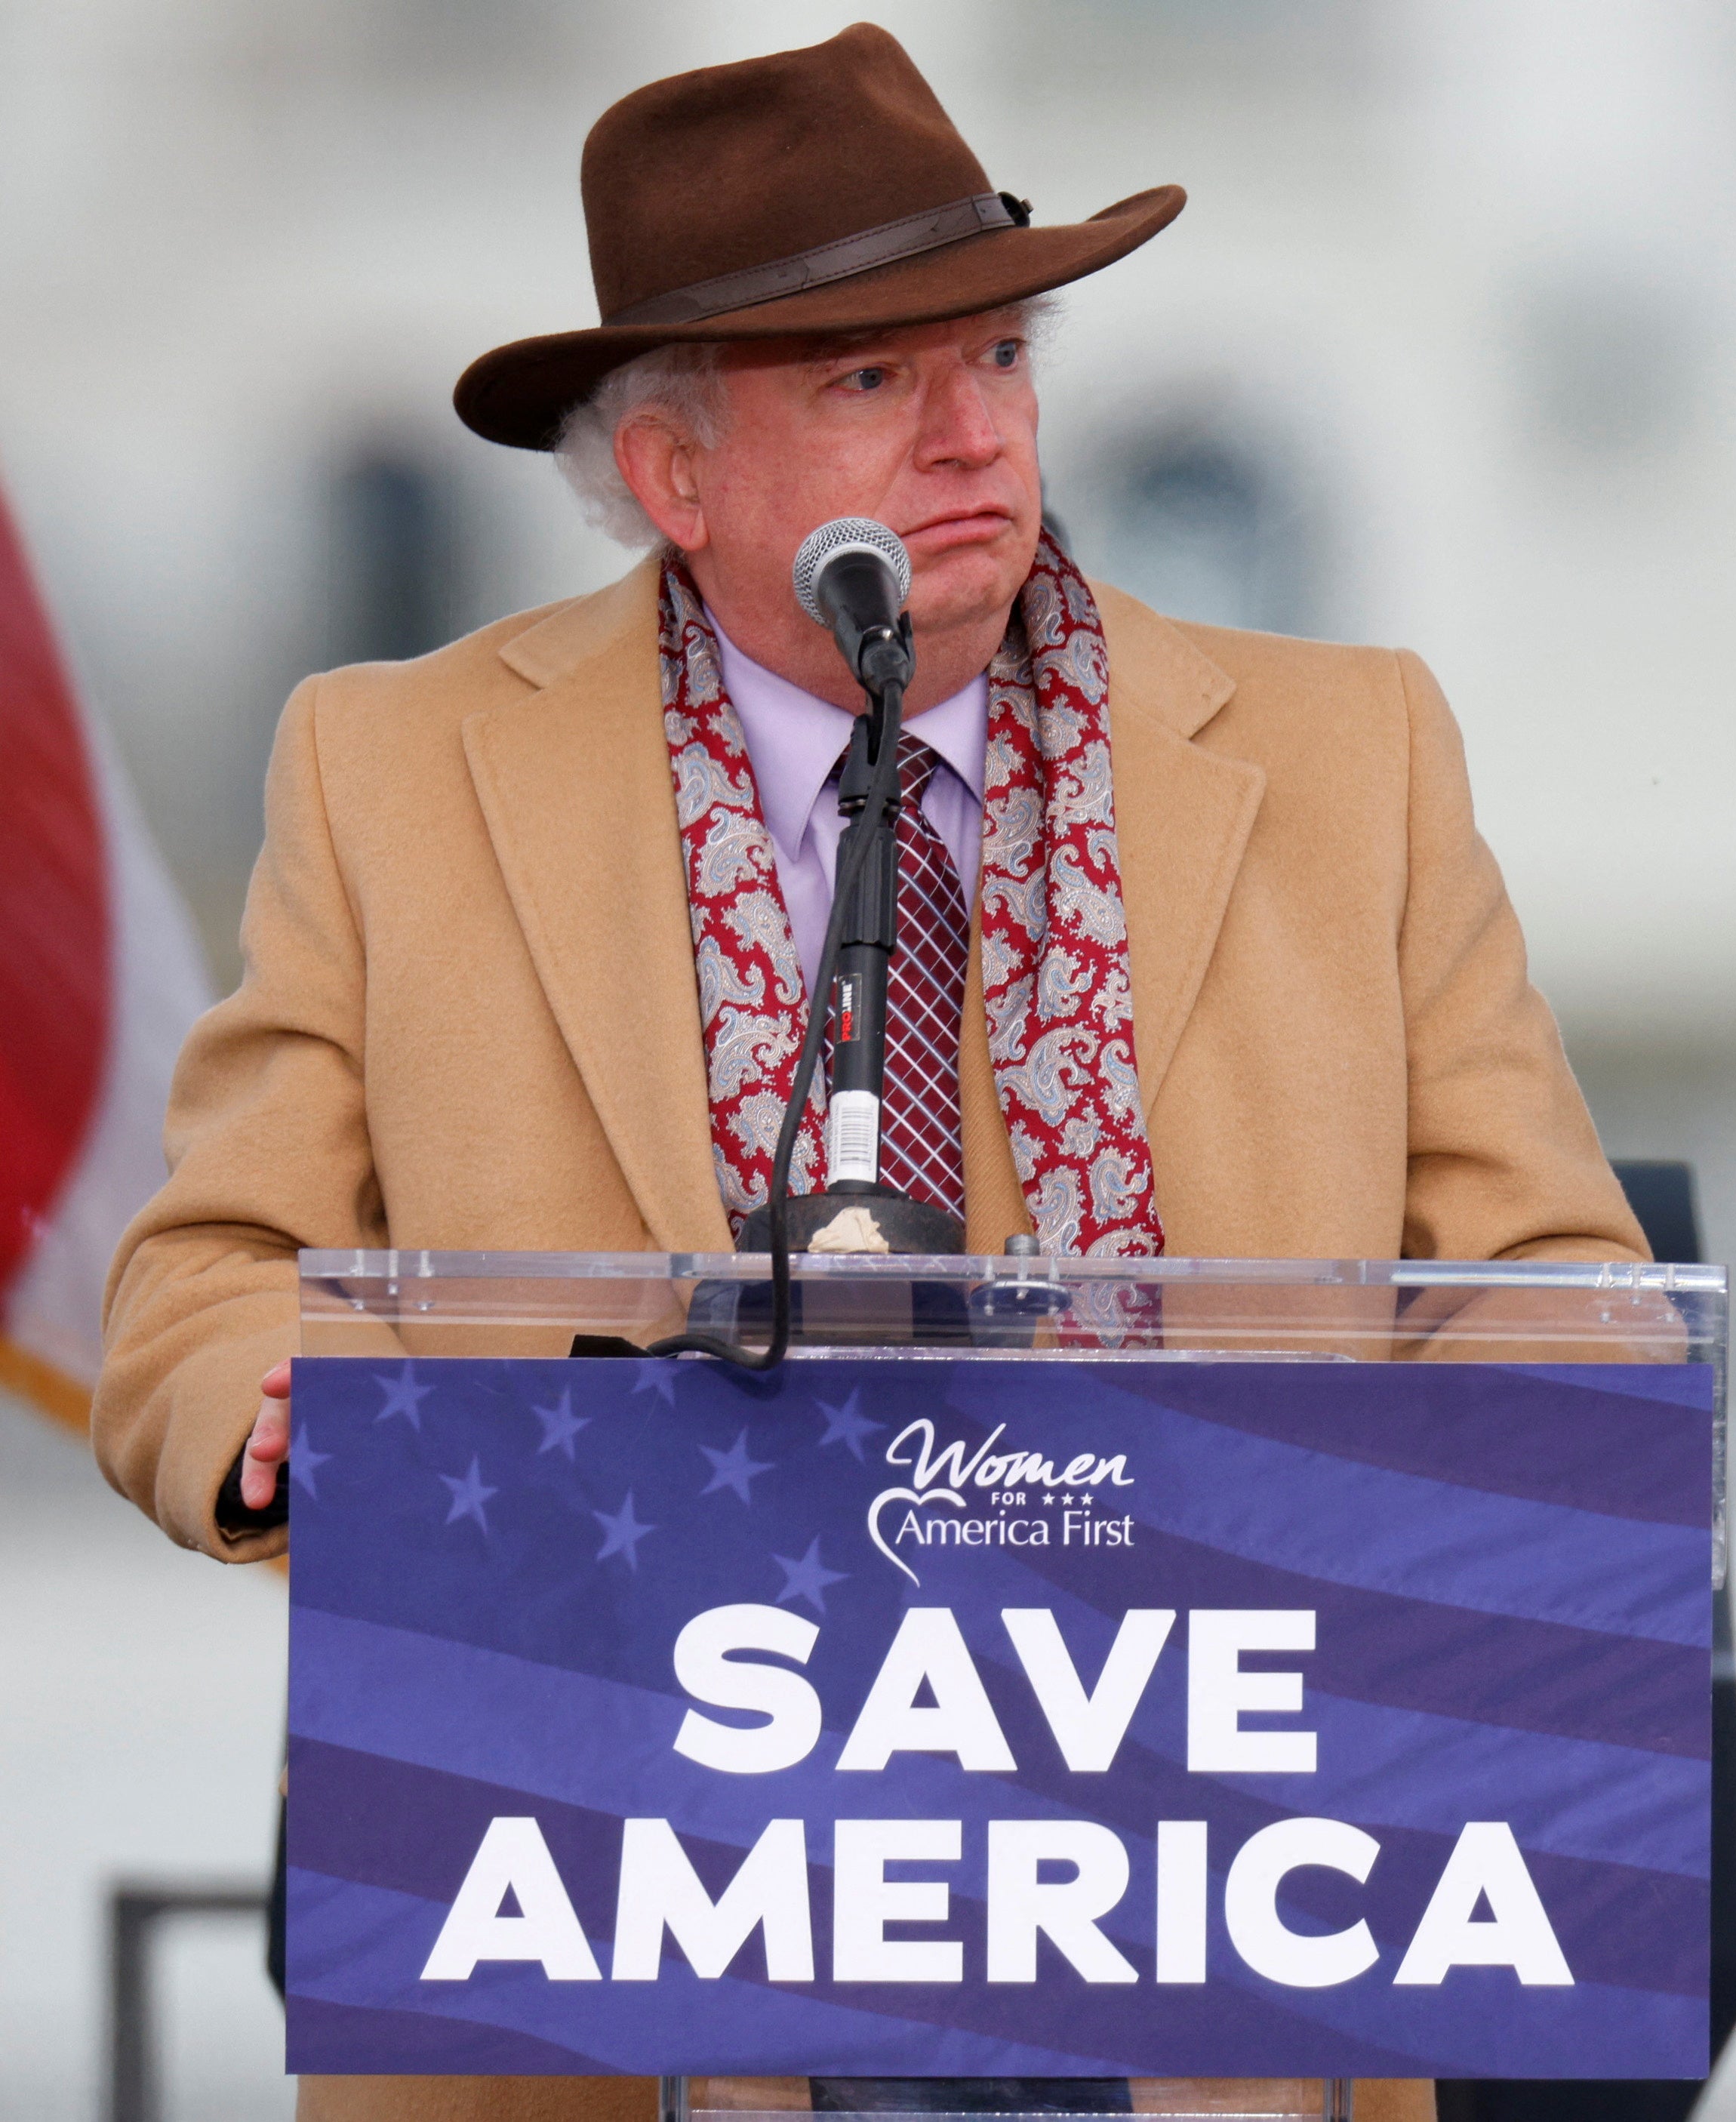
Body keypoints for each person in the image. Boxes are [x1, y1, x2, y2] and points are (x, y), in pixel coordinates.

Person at [94, 25, 1639, 2122]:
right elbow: (197, 1287)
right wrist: (280, 1416)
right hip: (626, 1941)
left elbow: (1561, 1295)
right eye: (869, 381)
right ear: (673, 474)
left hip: (1209, 1933)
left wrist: (1410, 1564)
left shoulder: (1349, 753)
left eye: (1000, 358)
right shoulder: (389, 773)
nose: (970, 435)